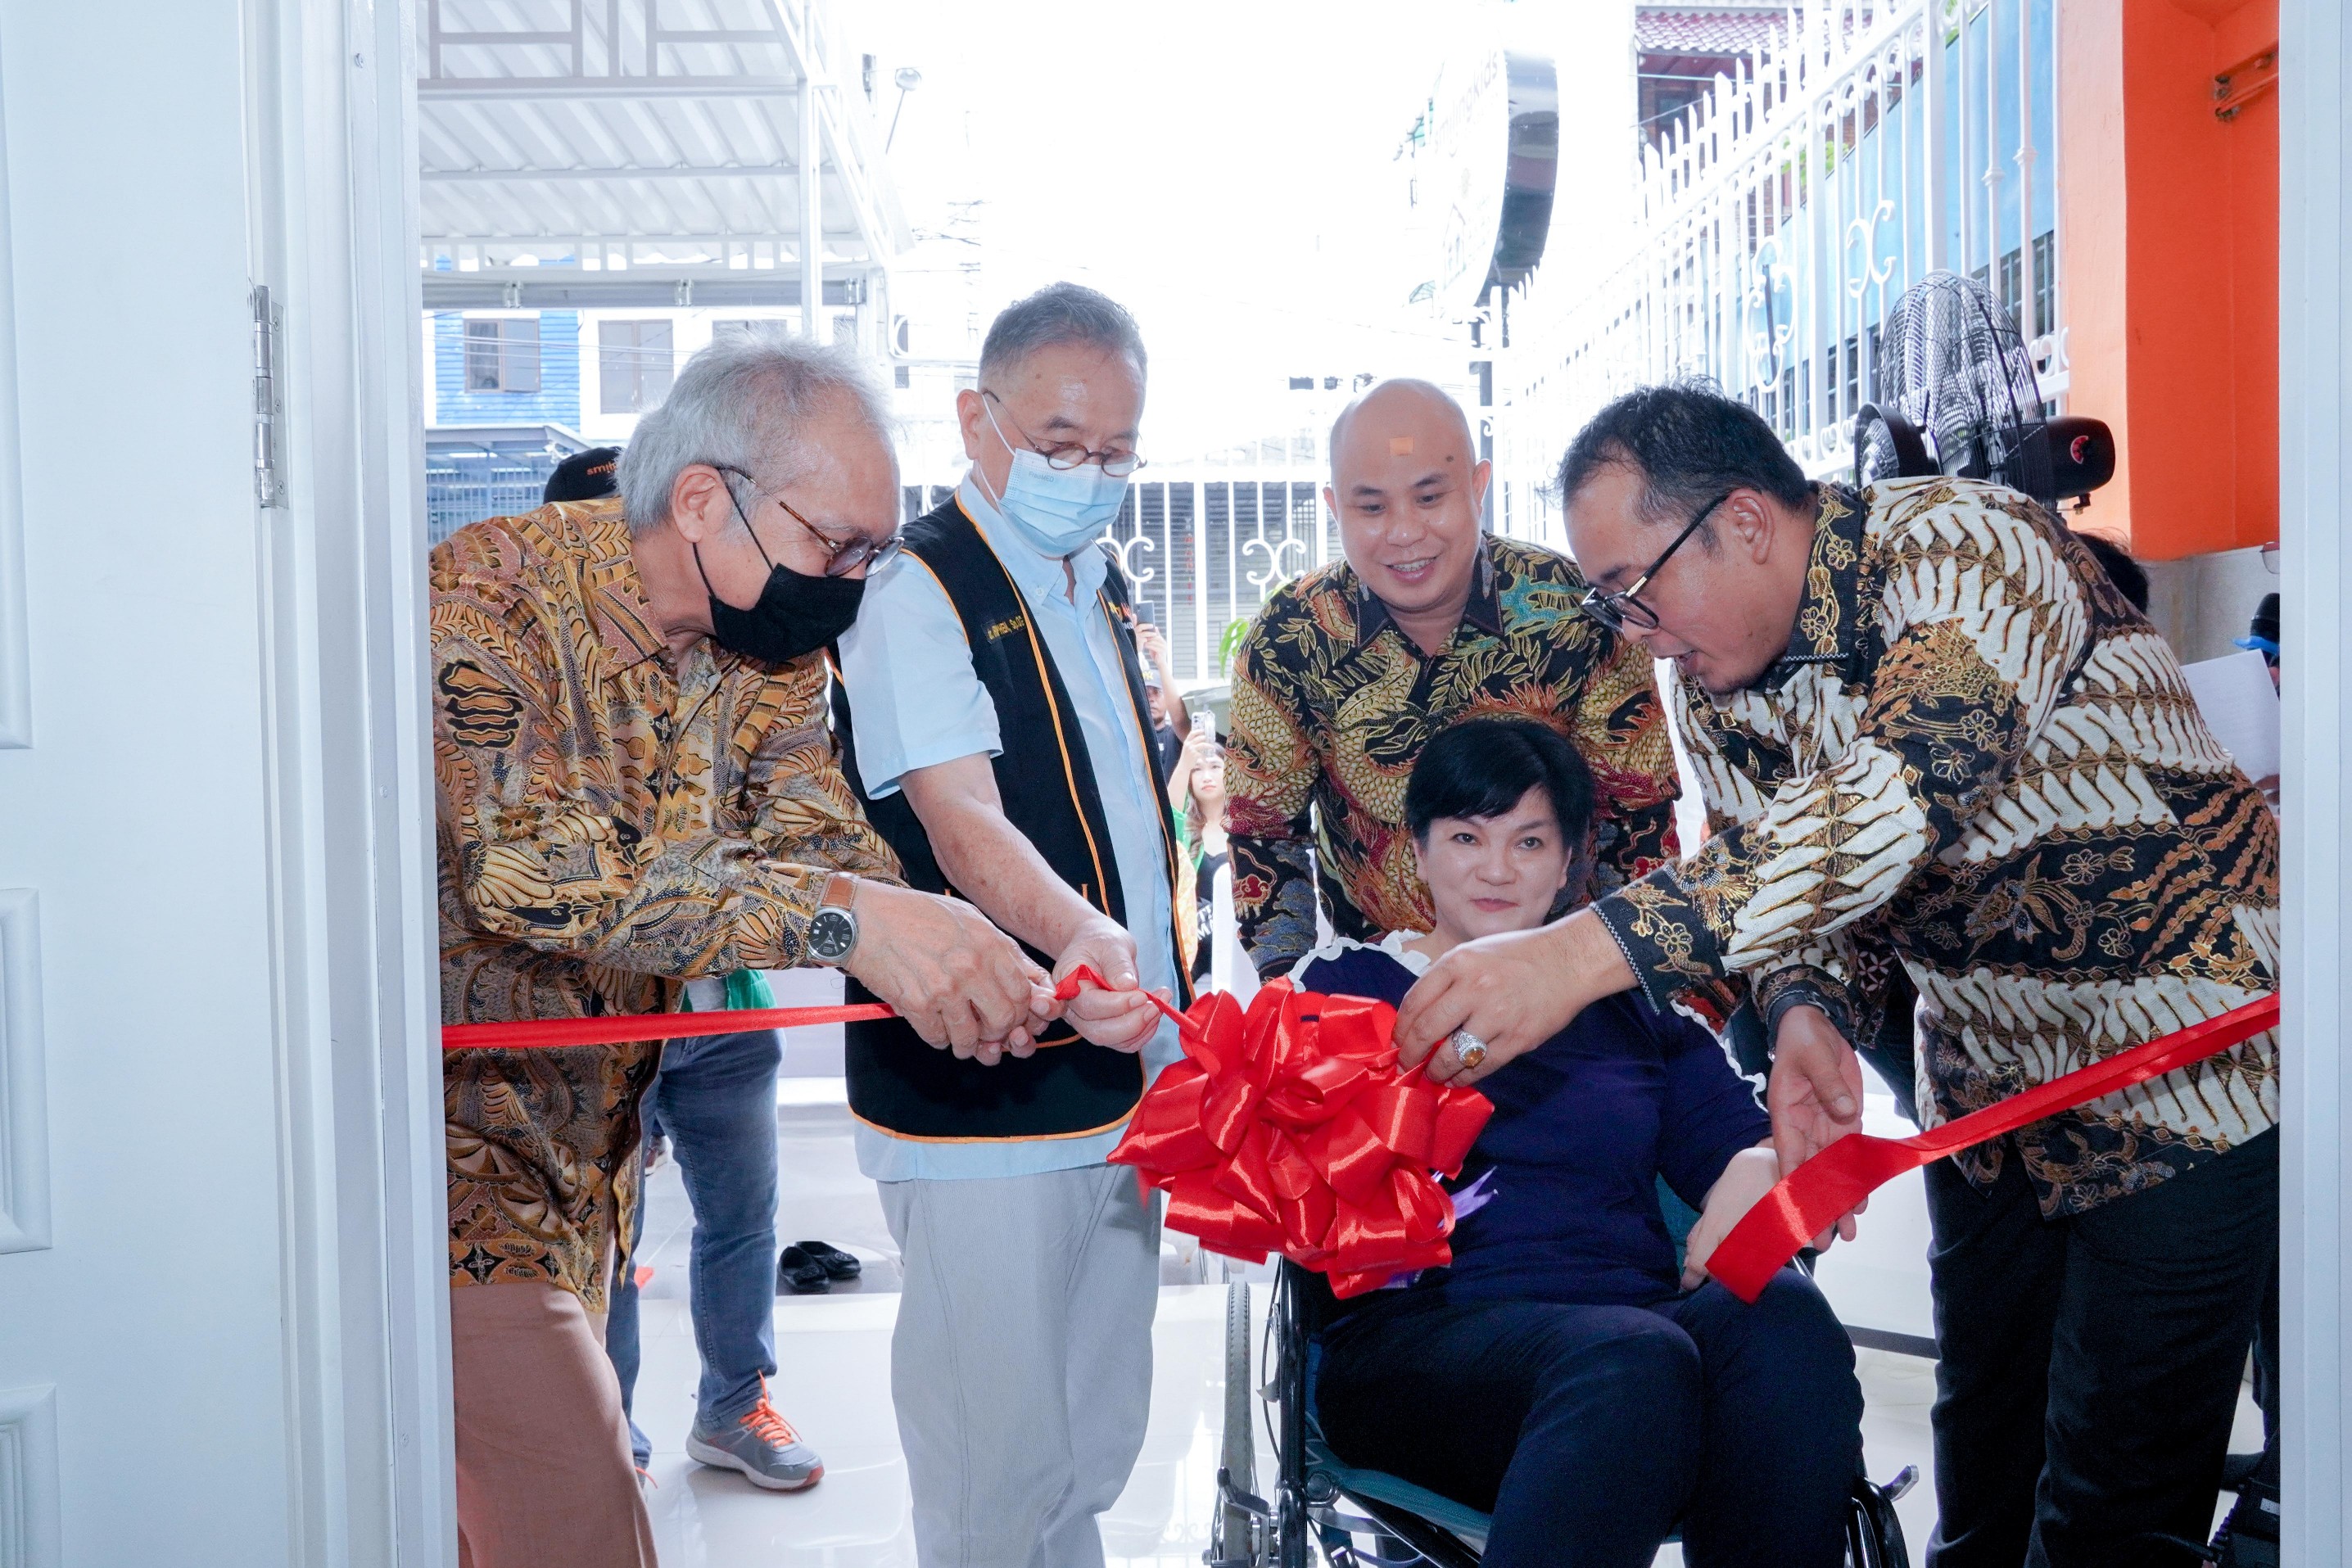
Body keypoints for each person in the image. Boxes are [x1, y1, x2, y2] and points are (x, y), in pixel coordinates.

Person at [1394, 382, 2280, 1568]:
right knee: (1984, 1472)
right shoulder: (1713, 680)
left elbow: (1896, 796)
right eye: (1613, 605)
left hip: (2187, 1064)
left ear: (1746, 522)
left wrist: (1576, 952)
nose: (1638, 630)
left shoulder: (1974, 550)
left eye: (1636, 589)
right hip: (1992, 1096)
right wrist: (1806, 1007)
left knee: (2116, 1499)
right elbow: (1798, 889)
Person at [435, 328, 1056, 1568]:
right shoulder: (490, 594)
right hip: (451, 1163)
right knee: (583, 1520)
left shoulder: (768, 647)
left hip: (592, 1168)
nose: (848, 581)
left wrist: (959, 954)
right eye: (836, 546)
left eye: (871, 554)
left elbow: (813, 832)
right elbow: (528, 875)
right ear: (706, 499)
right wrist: (858, 922)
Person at [1300, 717, 1861, 1568]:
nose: (1495, 868)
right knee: (1633, 1359)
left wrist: (1754, 1172)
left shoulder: (1633, 1011)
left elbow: (1760, 1145)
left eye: (1529, 841)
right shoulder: (1344, 990)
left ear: (1568, 863)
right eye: (1464, 836)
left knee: (1780, 1314)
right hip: (1420, 1347)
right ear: (1415, 852)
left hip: (1639, 1343)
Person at [834, 282, 1187, 1568]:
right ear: (977, 419)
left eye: (1114, 454)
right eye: (1058, 444)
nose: (1086, 477)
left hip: (1122, 1072)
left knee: (1091, 1435)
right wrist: (1086, 931)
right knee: (995, 1462)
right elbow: (962, 822)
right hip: (984, 1088)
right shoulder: (915, 589)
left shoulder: (1102, 586)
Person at [536, 445, 844, 1488]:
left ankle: (734, 1407)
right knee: (604, 1234)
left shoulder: (741, 670)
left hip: (724, 1018)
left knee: (742, 1217)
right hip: (591, 1026)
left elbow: (794, 833)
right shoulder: (544, 696)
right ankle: (603, 1428)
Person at [1223, 377, 1682, 981]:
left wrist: (1636, 994)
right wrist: (1295, 993)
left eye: (1429, 497)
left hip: (1557, 984)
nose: (1405, 531)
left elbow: (1637, 820)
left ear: (1477, 487)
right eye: (1371, 507)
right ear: (1336, 509)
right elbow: (1264, 834)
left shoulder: (1574, 612)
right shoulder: (1291, 636)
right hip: (1376, 994)